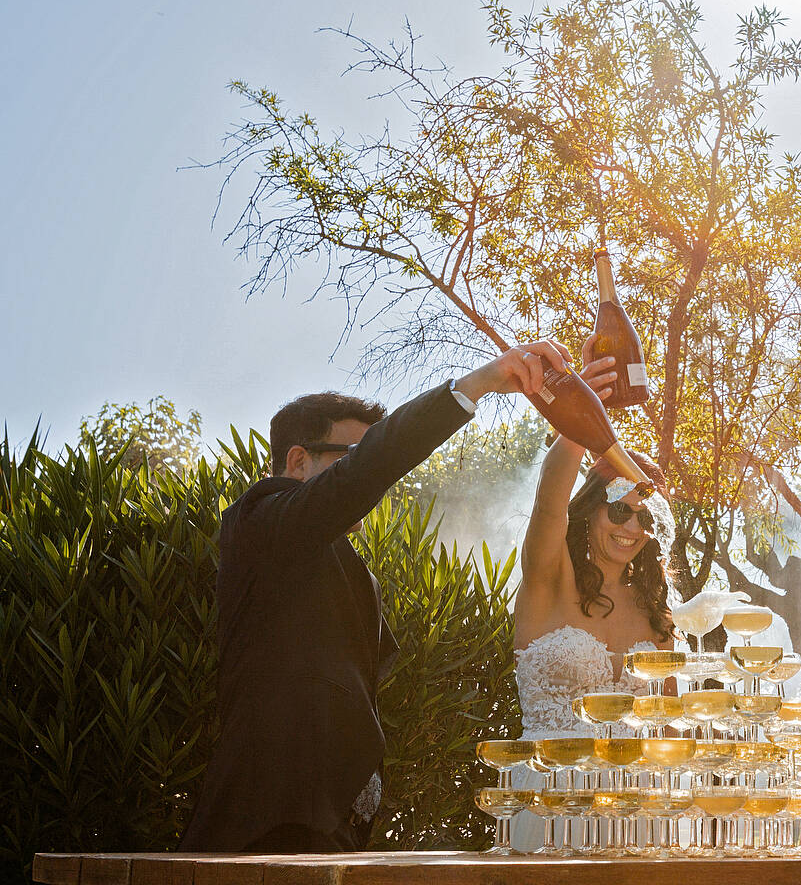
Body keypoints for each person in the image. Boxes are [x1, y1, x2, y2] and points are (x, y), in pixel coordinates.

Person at [179, 339, 597, 853]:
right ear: (297, 460)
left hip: (333, 830)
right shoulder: (259, 519)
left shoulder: (336, 559)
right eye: (352, 456)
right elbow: (367, 472)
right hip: (269, 824)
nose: (368, 480)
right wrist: (474, 386)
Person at [508, 344, 679, 852]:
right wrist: (580, 416)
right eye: (619, 511)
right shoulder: (549, 578)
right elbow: (549, 499)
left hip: (643, 813)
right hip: (553, 804)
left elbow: (671, 729)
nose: (632, 528)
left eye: (644, 517)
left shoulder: (657, 614)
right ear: (591, 511)